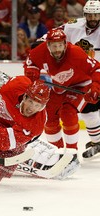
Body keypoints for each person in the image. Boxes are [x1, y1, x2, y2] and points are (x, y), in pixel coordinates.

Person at [24, 29, 100, 165]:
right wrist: (31, 72)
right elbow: (31, 62)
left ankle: (72, 155)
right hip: (59, 87)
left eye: (60, 45)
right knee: (49, 117)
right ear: (47, 46)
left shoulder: (76, 53)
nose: (57, 49)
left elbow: (96, 68)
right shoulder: (40, 51)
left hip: (81, 85)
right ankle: (56, 153)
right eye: (54, 46)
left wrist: (95, 87)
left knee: (68, 112)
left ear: (65, 44)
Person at [56, 0, 100, 158]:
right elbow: (56, 33)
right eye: (90, 14)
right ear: (85, 15)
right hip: (86, 76)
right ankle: (97, 141)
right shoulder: (73, 25)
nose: (93, 18)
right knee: (89, 109)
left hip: (98, 74)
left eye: (96, 14)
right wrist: (41, 42)